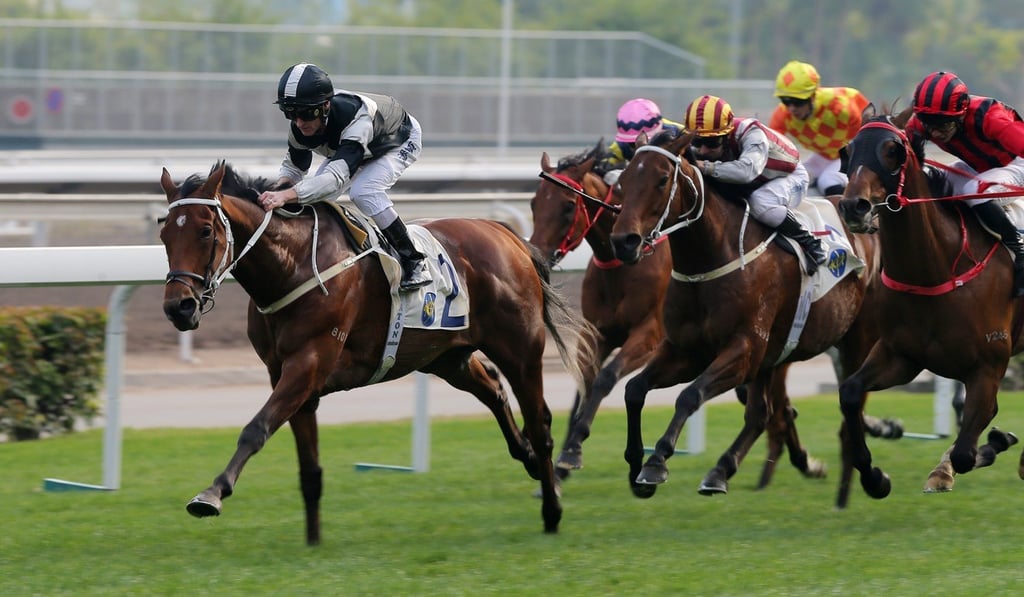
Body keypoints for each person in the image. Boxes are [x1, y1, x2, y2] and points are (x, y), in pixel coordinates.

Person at [258, 62, 430, 291]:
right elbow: (294, 170)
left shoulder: (355, 117)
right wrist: (280, 189)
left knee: (364, 192)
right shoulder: (300, 126)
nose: (299, 122)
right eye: (291, 113)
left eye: (307, 113)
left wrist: (287, 196)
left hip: (397, 140)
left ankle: (414, 260)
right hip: (353, 146)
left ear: (325, 106)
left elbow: (335, 179)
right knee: (317, 202)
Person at [906, 70, 1024, 297]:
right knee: (933, 186)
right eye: (927, 122)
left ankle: (1019, 251)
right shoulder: (919, 126)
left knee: (973, 191)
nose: (933, 131)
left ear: (960, 115)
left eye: (940, 123)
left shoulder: (990, 117)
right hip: (980, 169)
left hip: (1017, 164)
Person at [684, 94, 826, 274]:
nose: (703, 150)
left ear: (727, 135)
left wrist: (705, 167)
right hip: (751, 182)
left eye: (712, 142)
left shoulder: (751, 133)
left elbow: (746, 172)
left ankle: (810, 243)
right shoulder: (707, 139)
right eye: (697, 142)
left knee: (760, 202)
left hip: (787, 177)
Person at [769, 60, 870, 197]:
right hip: (823, 155)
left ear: (813, 96)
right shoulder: (782, 116)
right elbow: (771, 148)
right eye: (785, 101)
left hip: (850, 152)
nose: (791, 108)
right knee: (791, 178)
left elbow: (865, 140)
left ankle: (852, 216)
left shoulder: (842, 108)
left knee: (828, 180)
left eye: (798, 102)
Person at [598, 98, 683, 182]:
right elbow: (603, 167)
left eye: (646, 142)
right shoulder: (621, 146)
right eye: (631, 144)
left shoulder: (679, 134)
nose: (638, 146)